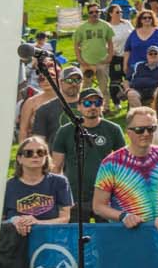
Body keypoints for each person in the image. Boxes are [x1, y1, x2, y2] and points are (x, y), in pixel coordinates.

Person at [92, 107, 158, 229]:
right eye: (140, 130)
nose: (146, 134)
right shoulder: (111, 163)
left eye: (151, 129)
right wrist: (123, 216)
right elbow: (98, 206)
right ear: (128, 132)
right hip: (126, 233)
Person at [51, 87, 125, 220]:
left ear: (102, 105)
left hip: (105, 195)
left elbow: (123, 165)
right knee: (76, 232)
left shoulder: (113, 129)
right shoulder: (65, 131)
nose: (92, 106)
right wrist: (59, 194)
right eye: (87, 103)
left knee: (108, 232)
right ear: (78, 107)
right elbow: (56, 167)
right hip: (74, 195)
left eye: (97, 103)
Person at [3, 135, 72, 233]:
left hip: (50, 237)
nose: (35, 156)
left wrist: (37, 222)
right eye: (29, 153)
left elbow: (65, 218)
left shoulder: (60, 182)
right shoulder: (7, 185)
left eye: (40, 152)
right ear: (19, 158)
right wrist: (13, 220)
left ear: (46, 157)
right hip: (15, 238)